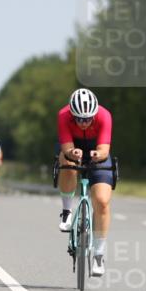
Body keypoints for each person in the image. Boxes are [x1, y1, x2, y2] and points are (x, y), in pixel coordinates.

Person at [57, 88, 113, 276]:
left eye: (87, 119)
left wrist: (98, 155)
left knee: (102, 202)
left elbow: (104, 150)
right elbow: (66, 147)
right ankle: (66, 212)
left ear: (94, 114)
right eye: (79, 119)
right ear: (72, 114)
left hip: (97, 152)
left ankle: (98, 255)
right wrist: (72, 153)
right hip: (73, 150)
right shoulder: (63, 115)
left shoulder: (104, 116)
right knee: (66, 162)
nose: (83, 123)